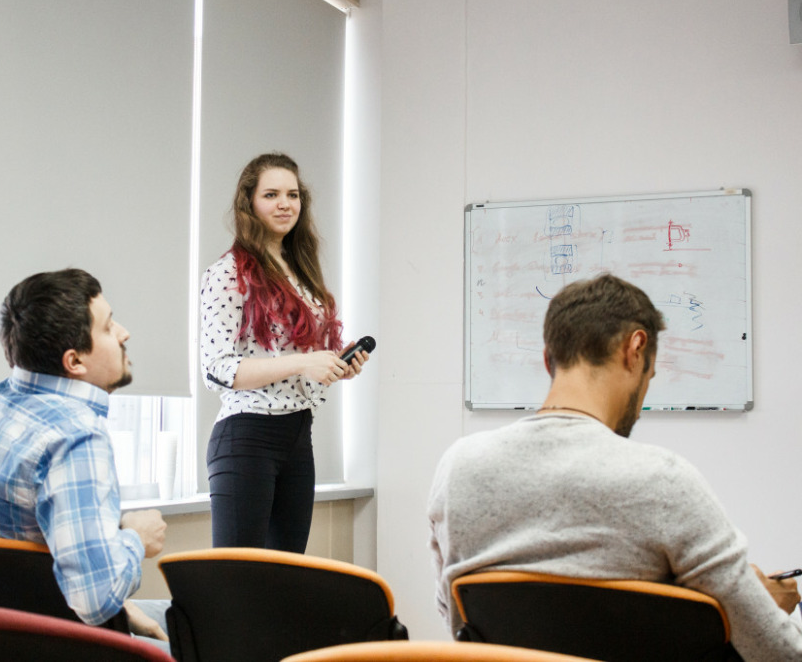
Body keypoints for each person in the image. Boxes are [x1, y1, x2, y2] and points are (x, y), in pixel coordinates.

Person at [428, 273, 802, 661]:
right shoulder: (665, 481)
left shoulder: (458, 469)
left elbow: (457, 621)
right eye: (650, 376)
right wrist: (766, 610)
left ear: (548, 359)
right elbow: (780, 653)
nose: (640, 405)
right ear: (635, 348)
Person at [0, 268, 170, 648]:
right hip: (59, 645)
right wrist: (135, 539)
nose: (124, 333)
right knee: (205, 630)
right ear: (74, 361)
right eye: (108, 327)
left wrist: (120, 604)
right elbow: (96, 599)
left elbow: (3, 569)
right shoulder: (76, 434)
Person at [199, 152, 368, 553]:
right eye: (271, 194)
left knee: (286, 577)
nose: (285, 204)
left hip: (298, 435)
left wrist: (334, 363)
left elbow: (296, 360)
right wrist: (303, 362)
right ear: (249, 203)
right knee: (239, 578)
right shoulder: (229, 273)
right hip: (247, 435)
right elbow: (217, 368)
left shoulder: (300, 271)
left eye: (293, 195)